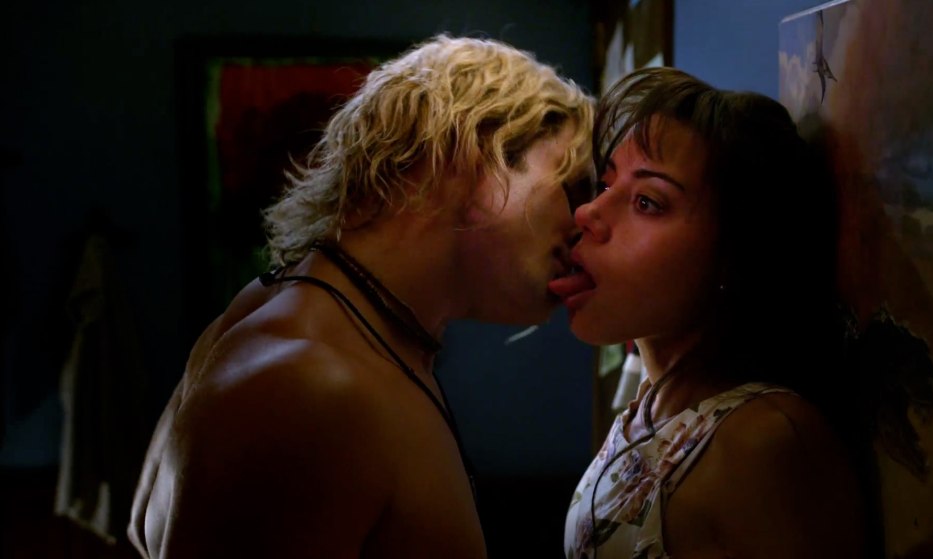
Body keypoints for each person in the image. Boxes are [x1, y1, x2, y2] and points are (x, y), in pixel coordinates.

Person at [128, 34, 594, 559]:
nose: (584, 226)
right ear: (470, 155)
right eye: (573, 187)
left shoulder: (309, 317)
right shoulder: (308, 387)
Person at [551, 66, 880, 558]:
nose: (588, 213)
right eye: (606, 184)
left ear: (734, 254)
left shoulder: (763, 442)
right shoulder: (651, 405)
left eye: (647, 202)